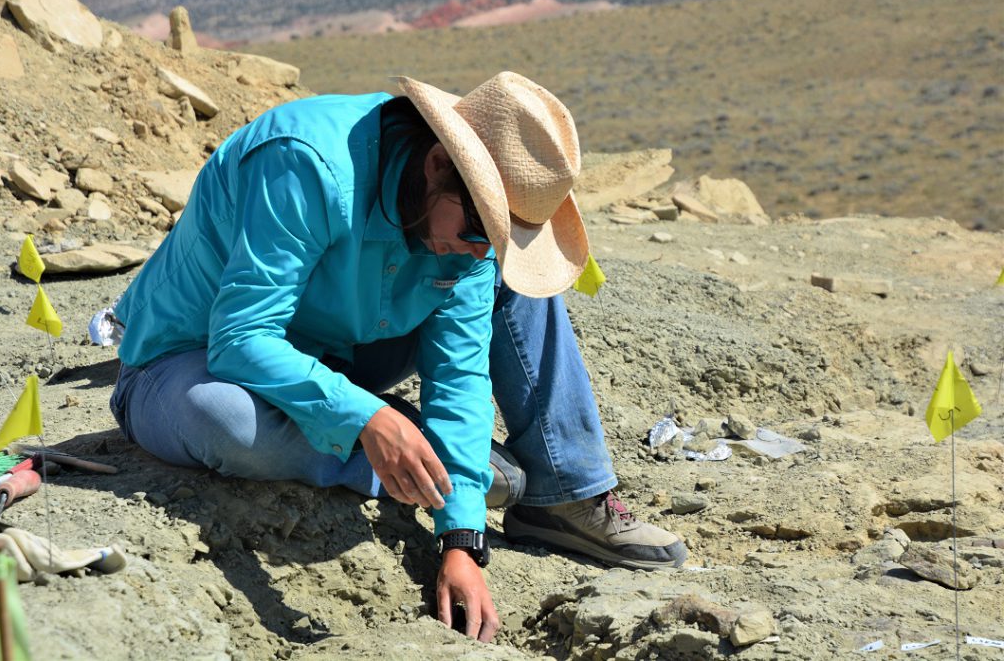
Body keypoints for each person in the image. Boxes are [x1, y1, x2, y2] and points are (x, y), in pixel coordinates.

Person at [108, 71, 687, 643]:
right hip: (191, 359)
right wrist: (369, 419)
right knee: (225, 421)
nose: (478, 250)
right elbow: (241, 339)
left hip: (344, 348)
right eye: (477, 227)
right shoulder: (304, 161)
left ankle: (564, 494)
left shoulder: (470, 236)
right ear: (438, 165)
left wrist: (461, 542)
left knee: (517, 279)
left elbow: (458, 373)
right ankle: (418, 460)